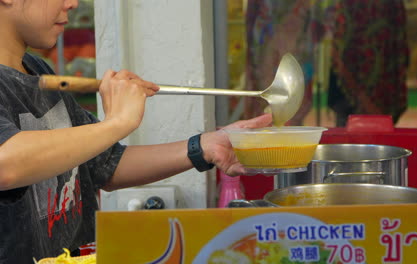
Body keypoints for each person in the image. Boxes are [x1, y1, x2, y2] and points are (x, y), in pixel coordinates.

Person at [0, 0, 272, 263]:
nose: (72, 3)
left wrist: (204, 147)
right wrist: (118, 122)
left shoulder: (39, 71)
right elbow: (6, 165)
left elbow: (103, 165)